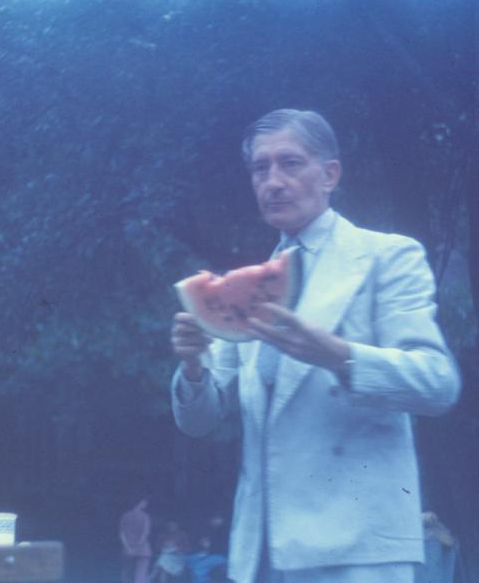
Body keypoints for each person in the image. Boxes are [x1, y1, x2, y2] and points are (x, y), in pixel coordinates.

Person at [169, 109, 461, 583]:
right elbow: (200, 423)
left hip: (358, 553)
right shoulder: (246, 288)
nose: (274, 180)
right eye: (260, 168)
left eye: (291, 163)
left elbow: (437, 383)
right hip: (262, 552)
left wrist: (338, 356)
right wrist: (192, 368)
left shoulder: (387, 257)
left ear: (330, 175)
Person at [119, 497, 153, 583]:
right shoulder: (145, 517)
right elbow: (145, 534)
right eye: (145, 502)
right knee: (140, 574)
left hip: (128, 549)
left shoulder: (125, 515)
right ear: (140, 502)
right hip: (142, 549)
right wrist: (137, 547)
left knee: (126, 572)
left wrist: (128, 547)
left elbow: (121, 534)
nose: (146, 504)